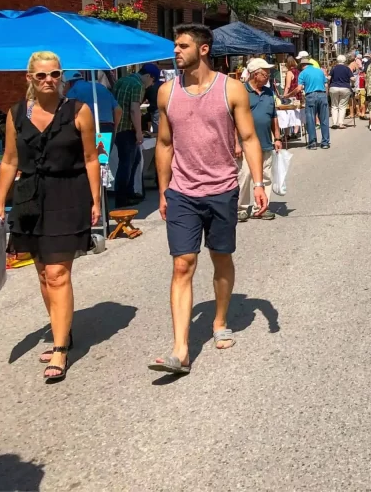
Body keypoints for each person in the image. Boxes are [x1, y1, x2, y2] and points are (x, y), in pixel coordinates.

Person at [150, 24, 265, 376]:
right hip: (183, 191)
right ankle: (180, 350)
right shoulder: (167, 92)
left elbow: (248, 137)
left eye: (182, 45)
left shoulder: (230, 89)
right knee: (182, 264)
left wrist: (258, 183)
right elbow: (165, 144)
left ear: (203, 49)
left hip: (222, 189)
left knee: (221, 257)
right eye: (175, 44)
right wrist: (163, 189)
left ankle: (218, 321)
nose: (175, 50)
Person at [0, 51, 101, 383]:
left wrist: (96, 201)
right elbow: (10, 161)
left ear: (62, 75)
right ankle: (62, 330)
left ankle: (60, 348)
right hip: (29, 199)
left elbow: (90, 158)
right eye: (41, 76)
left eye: (54, 74)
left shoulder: (78, 111)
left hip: (69, 195)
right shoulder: (15, 115)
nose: (48, 80)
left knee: (57, 273)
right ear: (30, 79)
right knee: (42, 275)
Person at [236, 58, 281, 223]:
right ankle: (241, 208)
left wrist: (277, 137)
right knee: (245, 175)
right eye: (265, 73)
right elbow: (233, 120)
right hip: (245, 143)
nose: (268, 76)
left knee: (266, 176)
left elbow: (274, 116)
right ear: (255, 75)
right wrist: (235, 143)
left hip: (265, 142)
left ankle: (261, 207)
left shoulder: (269, 92)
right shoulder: (241, 92)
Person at [112, 66, 154, 207]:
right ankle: (122, 197)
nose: (151, 85)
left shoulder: (122, 80)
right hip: (127, 129)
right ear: (148, 76)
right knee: (126, 164)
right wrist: (139, 131)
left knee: (134, 160)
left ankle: (128, 192)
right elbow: (134, 109)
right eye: (152, 81)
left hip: (117, 127)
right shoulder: (138, 85)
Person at [64, 71, 122, 137]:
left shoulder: (72, 91)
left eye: (64, 85)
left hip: (87, 128)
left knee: (88, 147)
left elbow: (70, 112)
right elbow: (118, 110)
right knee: (102, 147)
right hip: (107, 128)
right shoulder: (101, 87)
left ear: (68, 82)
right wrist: (114, 129)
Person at [298, 56, 330, 149]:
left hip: (311, 95)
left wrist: (288, 95)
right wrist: (325, 95)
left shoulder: (302, 73)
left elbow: (299, 88)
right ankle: (325, 142)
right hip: (322, 94)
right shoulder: (319, 71)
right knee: (324, 119)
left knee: (311, 119)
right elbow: (326, 84)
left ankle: (312, 143)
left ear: (302, 65)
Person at [327, 54, 354, 130]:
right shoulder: (347, 69)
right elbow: (352, 78)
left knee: (334, 106)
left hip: (334, 87)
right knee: (342, 106)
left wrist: (328, 83)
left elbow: (329, 78)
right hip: (345, 88)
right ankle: (341, 123)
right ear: (345, 61)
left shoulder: (334, 68)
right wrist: (352, 84)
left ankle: (334, 123)